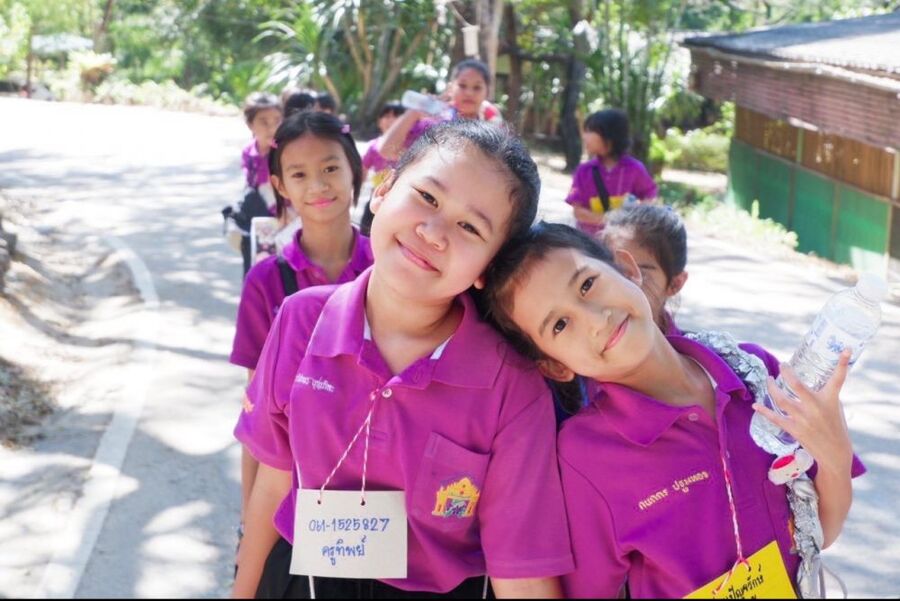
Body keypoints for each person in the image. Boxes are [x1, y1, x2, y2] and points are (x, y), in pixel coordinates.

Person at [233, 121, 573, 598]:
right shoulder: (301, 320)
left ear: (488, 268)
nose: (433, 233)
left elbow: (521, 569)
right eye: (428, 197)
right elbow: (274, 481)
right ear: (384, 190)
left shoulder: (511, 384)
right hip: (301, 579)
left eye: (470, 227)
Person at [478, 222, 865, 598]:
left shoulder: (753, 372)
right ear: (555, 366)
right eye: (561, 325)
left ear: (626, 269)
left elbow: (818, 533)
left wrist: (835, 456)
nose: (596, 320)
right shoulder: (586, 457)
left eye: (587, 284)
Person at [231, 111, 375, 542]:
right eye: (299, 174)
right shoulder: (265, 281)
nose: (317, 185)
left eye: (330, 168)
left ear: (355, 170)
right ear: (280, 185)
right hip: (292, 488)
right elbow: (256, 413)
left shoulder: (391, 267)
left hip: (380, 487)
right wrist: (248, 524)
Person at [566, 109, 657, 235]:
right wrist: (613, 220)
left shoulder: (635, 169)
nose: (584, 136)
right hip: (588, 243)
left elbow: (650, 198)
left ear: (609, 136)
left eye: (590, 131)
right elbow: (578, 212)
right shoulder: (584, 171)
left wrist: (634, 218)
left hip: (622, 243)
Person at [601, 204, 687, 335]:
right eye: (611, 271)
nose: (619, 286)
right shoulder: (581, 343)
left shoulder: (688, 348)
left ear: (675, 284)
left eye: (641, 274)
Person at [232, 92, 283, 276]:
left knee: (278, 273)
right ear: (250, 124)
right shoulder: (248, 152)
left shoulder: (285, 152)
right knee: (254, 269)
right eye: (264, 122)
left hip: (283, 220)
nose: (272, 128)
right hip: (255, 221)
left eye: (277, 121)